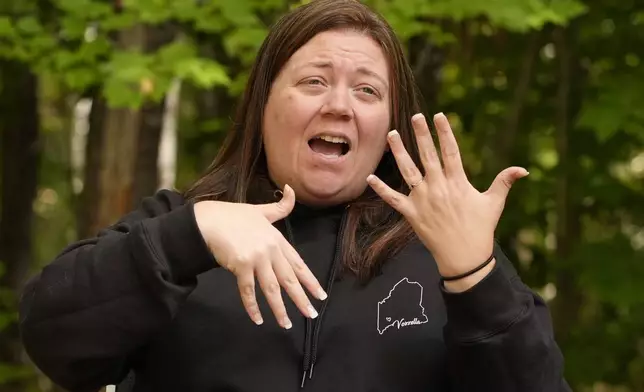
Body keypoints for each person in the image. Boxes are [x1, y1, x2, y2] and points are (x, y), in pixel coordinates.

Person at [18, 0, 571, 391]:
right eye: (313, 81)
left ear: (389, 126)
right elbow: (53, 339)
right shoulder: (183, 227)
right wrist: (191, 234)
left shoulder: (444, 257)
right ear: (264, 107)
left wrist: (478, 279)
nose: (340, 105)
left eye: (367, 90)